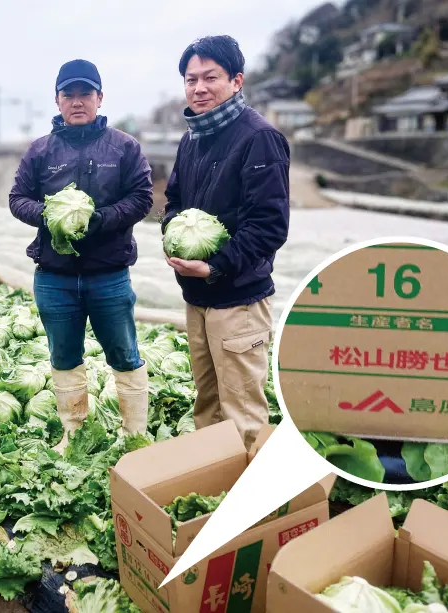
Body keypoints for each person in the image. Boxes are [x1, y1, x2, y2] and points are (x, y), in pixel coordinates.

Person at [8, 59, 154, 452]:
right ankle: (73, 431)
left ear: (99, 98)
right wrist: (50, 216)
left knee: (124, 352)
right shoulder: (40, 150)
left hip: (108, 272)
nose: (77, 101)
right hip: (54, 275)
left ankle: (134, 433)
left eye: (85, 94)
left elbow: (143, 198)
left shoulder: (124, 146)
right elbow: (17, 199)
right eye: (68, 94)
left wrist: (100, 219)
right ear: (57, 100)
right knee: (64, 355)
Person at [161, 36, 290, 449]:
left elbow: (269, 225)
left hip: (238, 300)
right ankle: (213, 490)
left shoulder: (259, 138)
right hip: (196, 296)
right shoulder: (192, 139)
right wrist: (171, 238)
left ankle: (256, 507)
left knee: (243, 413)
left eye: (210, 77)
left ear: (236, 81)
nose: (198, 88)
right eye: (190, 79)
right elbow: (175, 202)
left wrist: (216, 265)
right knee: (208, 404)